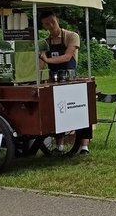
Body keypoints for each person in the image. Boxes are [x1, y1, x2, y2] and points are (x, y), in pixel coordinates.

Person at [38, 9, 92, 154]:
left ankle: (84, 146)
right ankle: (59, 146)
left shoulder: (71, 36)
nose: (50, 26)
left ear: (57, 20)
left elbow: (68, 57)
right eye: (46, 24)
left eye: (52, 22)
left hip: (71, 80)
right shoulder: (44, 42)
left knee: (81, 110)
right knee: (57, 112)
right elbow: (41, 65)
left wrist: (47, 59)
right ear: (43, 25)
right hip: (54, 81)